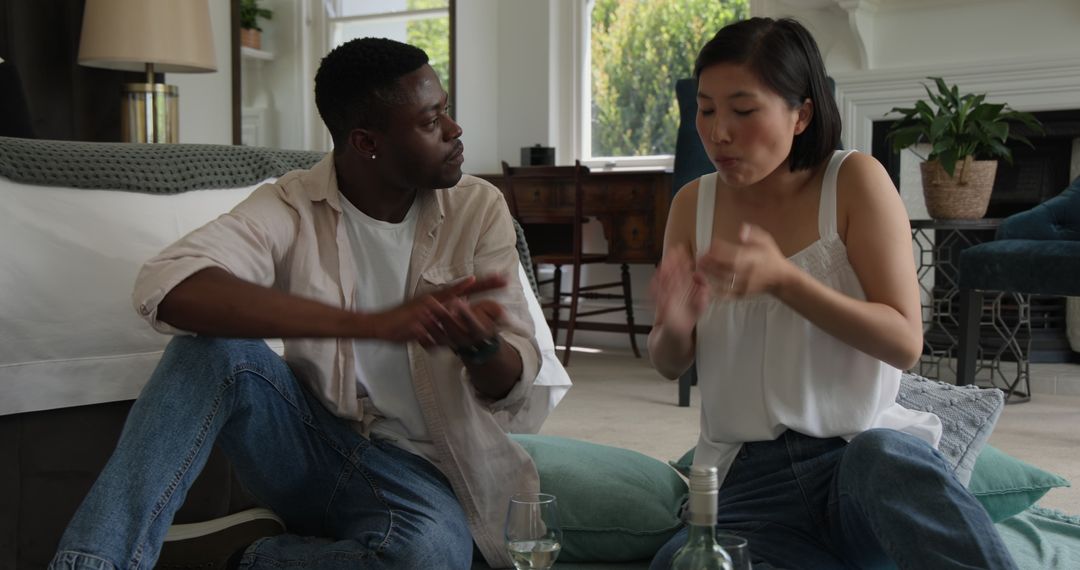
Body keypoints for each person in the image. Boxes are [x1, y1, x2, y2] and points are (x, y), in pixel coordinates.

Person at [50, 37, 544, 570]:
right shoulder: (290, 204)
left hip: (428, 468)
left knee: (427, 555)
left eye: (445, 111)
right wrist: (370, 325)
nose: (455, 130)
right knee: (213, 353)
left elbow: (512, 380)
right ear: (366, 141)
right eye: (431, 121)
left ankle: (253, 559)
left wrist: (481, 346)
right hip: (313, 445)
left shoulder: (477, 208)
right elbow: (169, 284)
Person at [648, 18, 1016, 570]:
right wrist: (676, 324)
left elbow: (904, 342)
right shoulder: (691, 205)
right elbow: (668, 360)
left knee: (887, 456)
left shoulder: (854, 180)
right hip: (748, 482)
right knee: (683, 563)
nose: (718, 132)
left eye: (743, 111)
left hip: (857, 463)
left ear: (801, 113)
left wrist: (785, 281)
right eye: (705, 109)